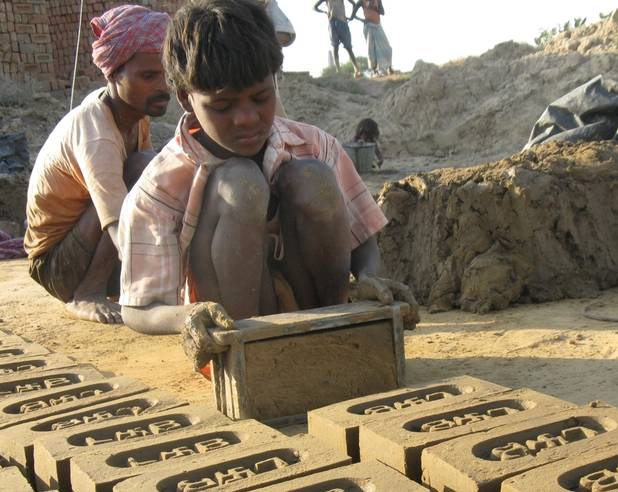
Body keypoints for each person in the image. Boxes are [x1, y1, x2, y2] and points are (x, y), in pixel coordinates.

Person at [118, 0, 419, 369]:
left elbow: (362, 237)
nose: (246, 118)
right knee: (240, 184)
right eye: (222, 106)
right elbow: (139, 308)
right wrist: (188, 317)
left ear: (275, 78)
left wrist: (372, 277)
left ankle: (333, 335)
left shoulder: (314, 145)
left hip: (315, 314)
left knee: (312, 178)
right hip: (235, 341)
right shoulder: (161, 185)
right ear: (186, 98)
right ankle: (255, 359)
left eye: (261, 98)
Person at [24, 5, 170, 324]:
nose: (163, 86)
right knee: (142, 169)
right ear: (113, 74)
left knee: (154, 171)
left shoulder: (134, 116)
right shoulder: (96, 130)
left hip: (87, 249)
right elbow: (117, 218)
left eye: (166, 74)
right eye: (149, 76)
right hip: (58, 267)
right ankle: (87, 293)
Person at [314, 0, 362, 77]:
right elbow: (315, 7)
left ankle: (357, 69)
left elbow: (354, 4)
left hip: (342, 21)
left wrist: (352, 16)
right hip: (332, 22)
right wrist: (325, 12)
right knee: (335, 46)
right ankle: (338, 69)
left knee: (348, 47)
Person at [350, 0, 393, 76]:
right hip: (368, 26)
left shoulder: (378, 0)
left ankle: (389, 68)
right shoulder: (361, 1)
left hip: (378, 25)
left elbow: (383, 12)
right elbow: (353, 15)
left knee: (387, 47)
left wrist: (374, 7)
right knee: (371, 49)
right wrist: (362, 20)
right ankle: (375, 71)